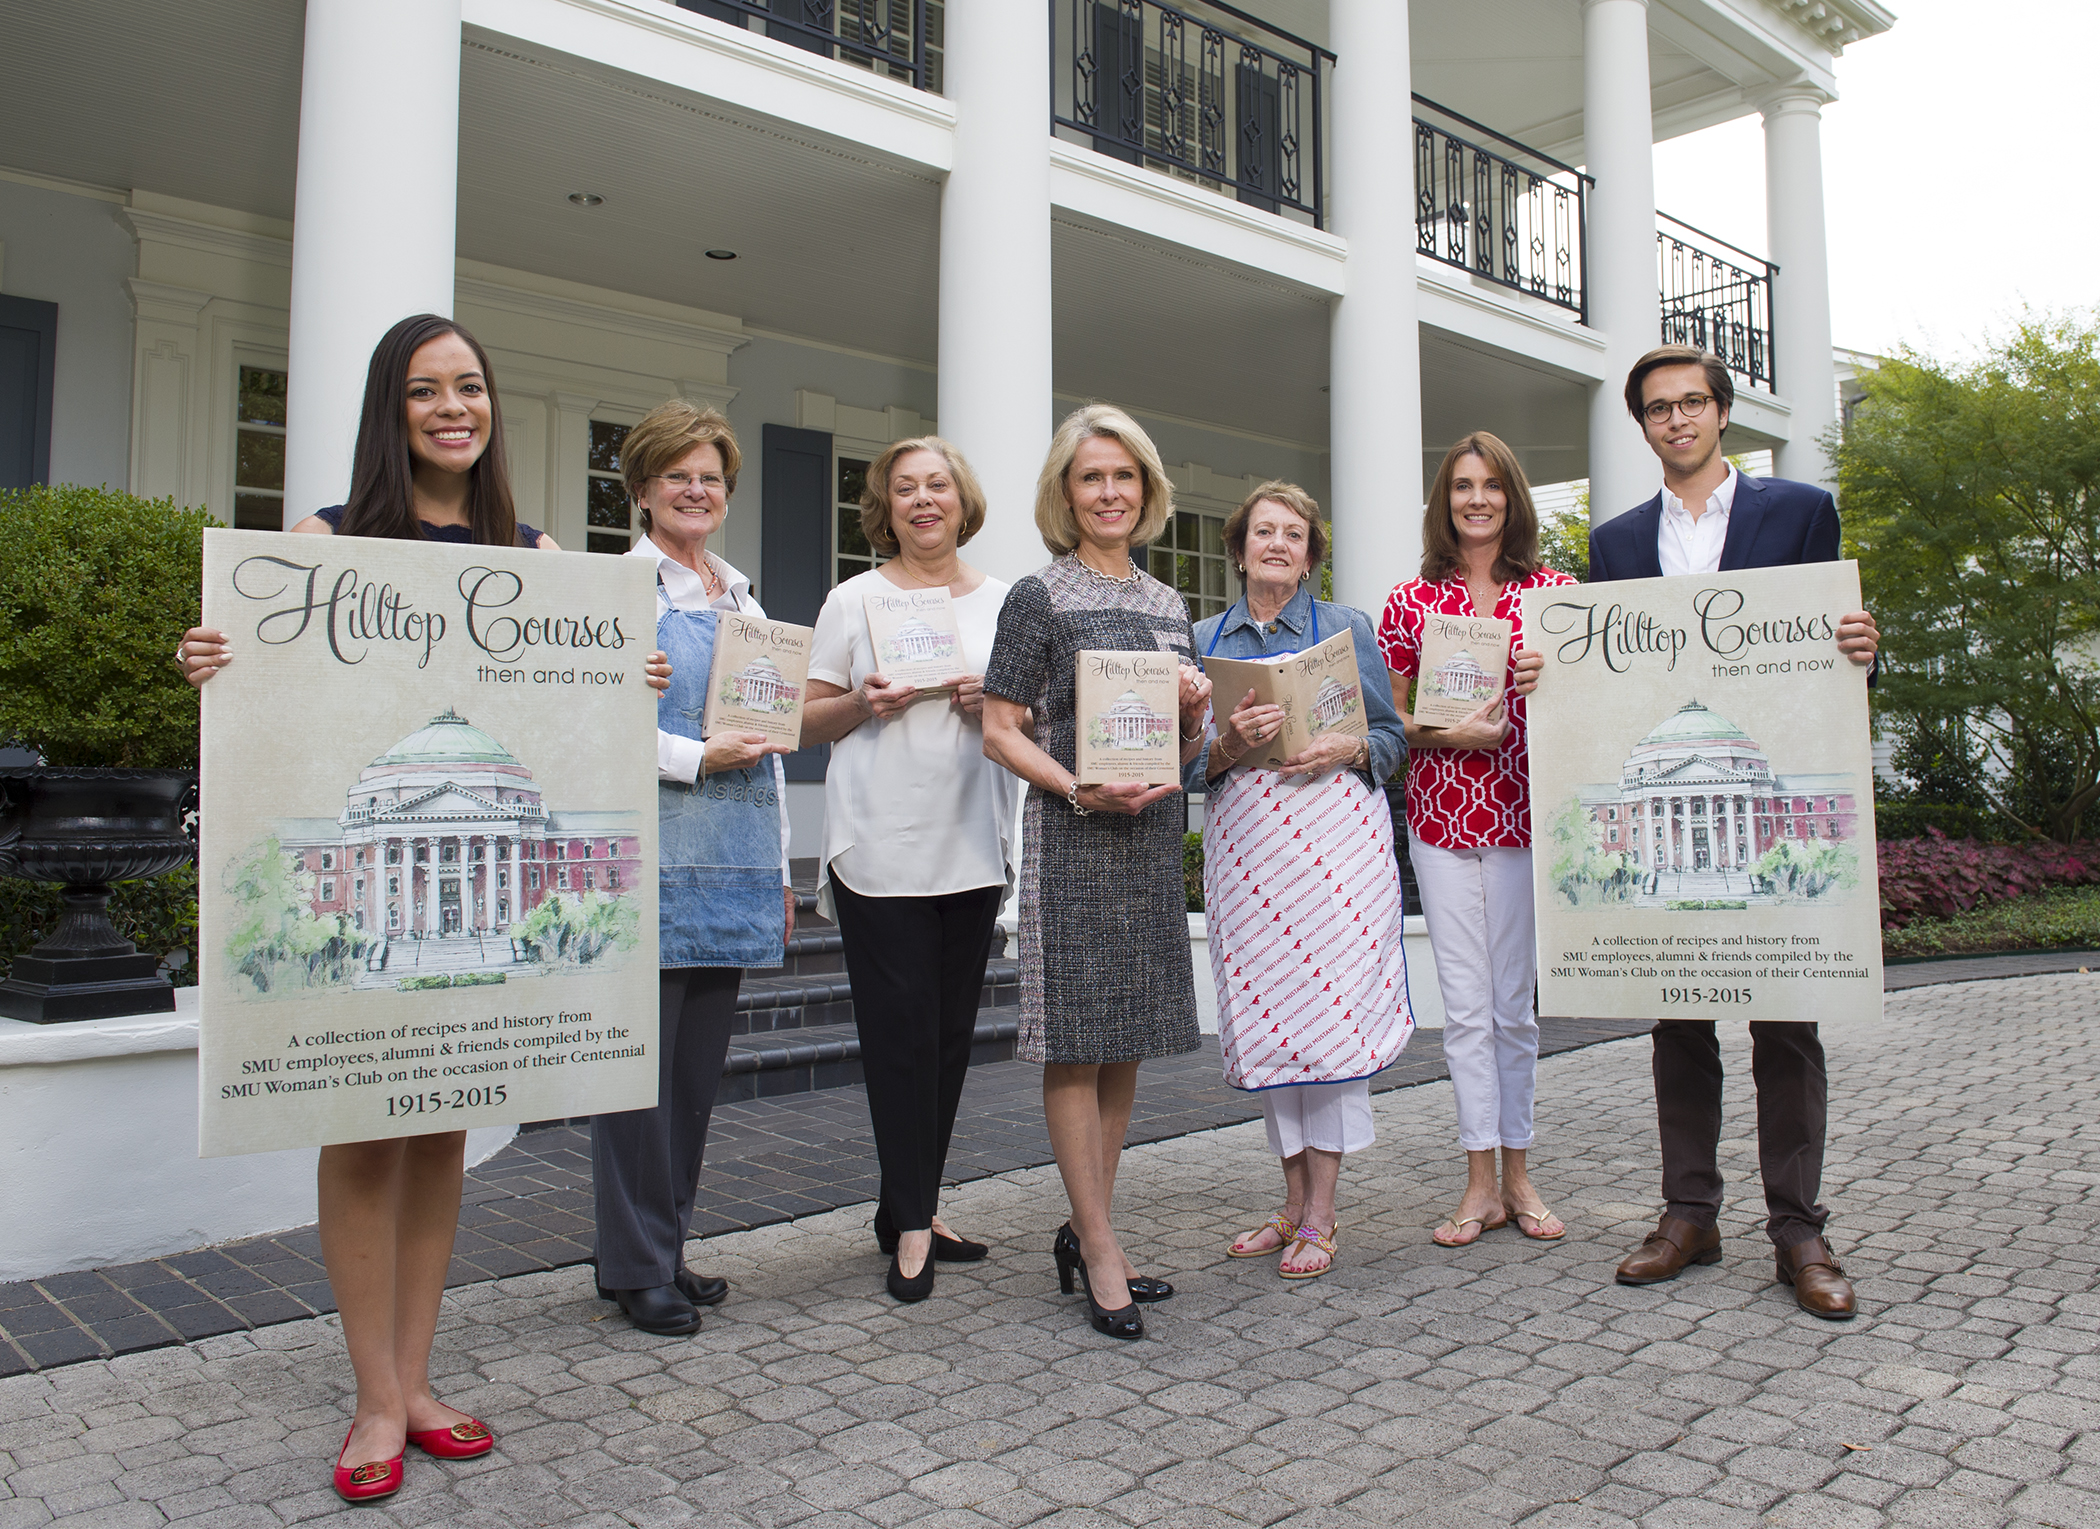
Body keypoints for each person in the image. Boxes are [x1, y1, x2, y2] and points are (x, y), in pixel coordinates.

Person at [176, 313, 668, 1503]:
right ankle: (374, 1397)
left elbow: (575, 695)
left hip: (483, 825)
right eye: (423, 391)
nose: (453, 407)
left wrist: (631, 672)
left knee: (444, 1131)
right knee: (363, 1128)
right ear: (391, 413)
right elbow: (280, 699)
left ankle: (418, 1374)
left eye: (469, 387)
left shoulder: (533, 548)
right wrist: (211, 657)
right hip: (393, 820)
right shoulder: (330, 539)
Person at [1521, 344, 1879, 1319]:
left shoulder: (1797, 512)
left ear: (1723, 413)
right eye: (1657, 409)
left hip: (1749, 773)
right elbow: (1607, 681)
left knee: (1786, 1022)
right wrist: (1547, 682)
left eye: (1691, 403)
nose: (1676, 420)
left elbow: (1828, 646)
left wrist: (1861, 647)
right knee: (1676, 1017)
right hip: (1677, 775)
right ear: (1642, 426)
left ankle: (1799, 1227)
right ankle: (1690, 1212)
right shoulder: (1619, 542)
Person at [981, 403, 1211, 1340]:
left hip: (1150, 839)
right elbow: (1000, 728)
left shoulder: (1169, 605)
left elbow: (1184, 750)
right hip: (1076, 834)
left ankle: (1090, 1228)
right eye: (1090, 477)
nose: (1109, 492)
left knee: (1126, 1038)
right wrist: (1078, 789)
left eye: (1123, 476)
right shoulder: (1038, 597)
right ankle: (1102, 1245)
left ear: (1146, 489)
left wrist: (1196, 708)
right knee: (1078, 1038)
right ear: (1065, 494)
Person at [594, 399, 796, 1337]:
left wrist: (783, 871)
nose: (695, 488)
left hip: (737, 855)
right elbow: (591, 733)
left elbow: (778, 746)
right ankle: (634, 1262)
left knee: (696, 1075)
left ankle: (664, 1247)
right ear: (641, 489)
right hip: (653, 855)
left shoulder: (743, 600)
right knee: (640, 1079)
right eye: (676, 473)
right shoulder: (615, 596)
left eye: (710, 475)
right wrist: (689, 757)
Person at [800, 436, 1018, 1303]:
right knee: (900, 1036)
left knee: (952, 1036)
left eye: (937, 485)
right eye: (905, 489)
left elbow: (1031, 716)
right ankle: (916, 1222)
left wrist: (991, 701)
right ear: (885, 507)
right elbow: (805, 720)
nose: (923, 500)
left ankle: (908, 1206)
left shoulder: (1006, 600)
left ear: (962, 500)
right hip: (880, 842)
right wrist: (865, 700)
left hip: (970, 839)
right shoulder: (853, 599)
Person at [1193, 483, 1411, 1280]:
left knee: (1328, 1025)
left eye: (1293, 534)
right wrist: (1223, 746)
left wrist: (1345, 750)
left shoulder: (1347, 628)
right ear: (1240, 545)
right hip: (1249, 855)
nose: (1277, 544)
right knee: (1271, 1028)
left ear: (1311, 553)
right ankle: (1290, 1203)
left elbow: (1392, 738)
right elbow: (1187, 765)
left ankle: (1322, 1212)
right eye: (1263, 531)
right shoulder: (1202, 638)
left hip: (1333, 852)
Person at [1378, 432, 1577, 1250]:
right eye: (1462, 485)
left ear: (1513, 496)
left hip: (1532, 816)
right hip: (1445, 819)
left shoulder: (1557, 597)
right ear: (1444, 500)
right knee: (1465, 1009)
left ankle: (1520, 1172)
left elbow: (1594, 713)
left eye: (1492, 484)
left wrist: (1550, 677)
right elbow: (1390, 723)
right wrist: (1445, 736)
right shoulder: (1410, 603)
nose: (1477, 499)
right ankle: (1476, 1181)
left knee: (1514, 1011)